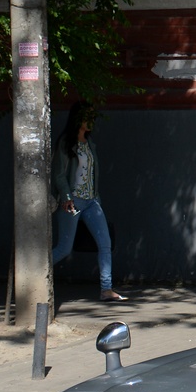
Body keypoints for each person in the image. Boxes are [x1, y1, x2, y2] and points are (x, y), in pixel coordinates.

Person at [52, 102, 127, 302]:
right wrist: (66, 197)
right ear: (78, 119)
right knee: (64, 249)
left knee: (105, 243)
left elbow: (92, 174)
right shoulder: (66, 143)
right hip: (72, 202)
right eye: (88, 117)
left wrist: (97, 199)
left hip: (91, 201)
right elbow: (59, 174)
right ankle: (34, 275)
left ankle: (106, 289)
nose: (91, 121)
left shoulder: (89, 143)